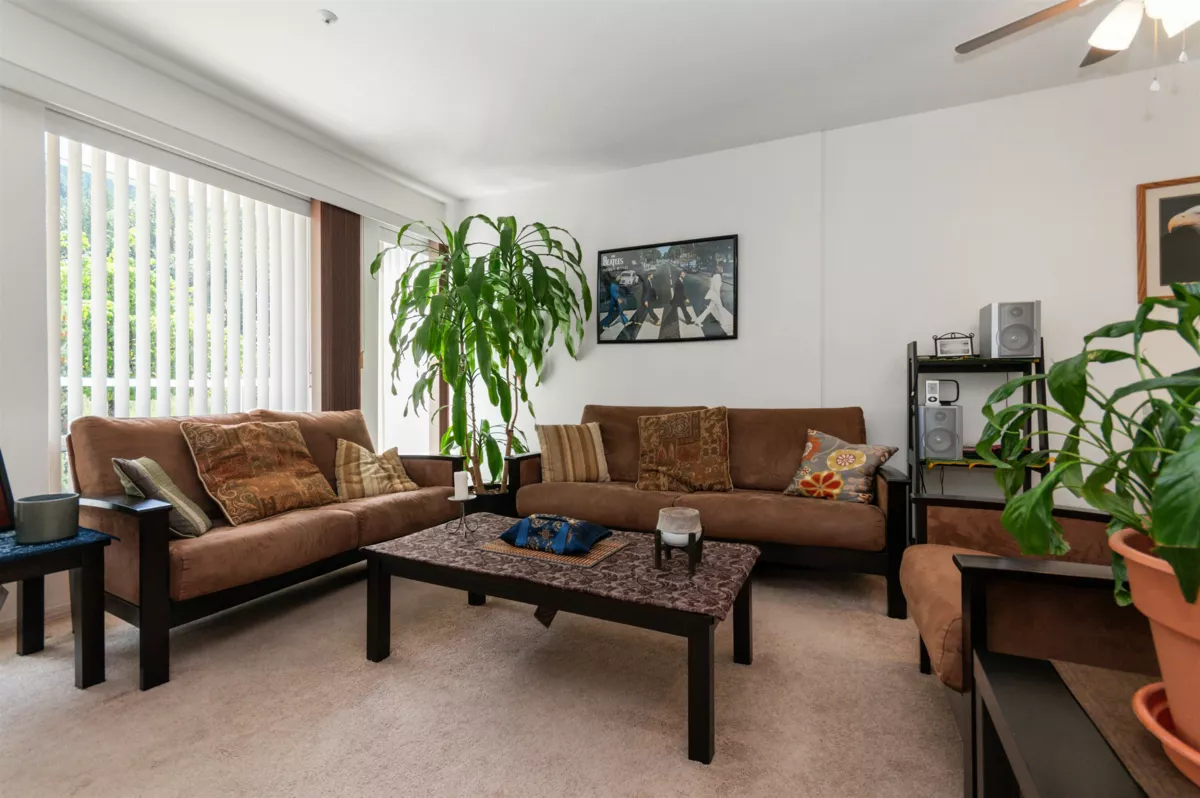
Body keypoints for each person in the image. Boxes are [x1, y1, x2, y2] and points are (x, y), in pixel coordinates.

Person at [694, 264, 733, 335]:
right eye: (722, 269)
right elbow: (716, 288)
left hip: (714, 295)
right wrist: (719, 296)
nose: (723, 270)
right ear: (719, 270)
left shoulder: (714, 276)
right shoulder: (718, 277)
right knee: (719, 308)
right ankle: (724, 322)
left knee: (710, 309)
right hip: (716, 296)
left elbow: (711, 285)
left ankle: (698, 320)